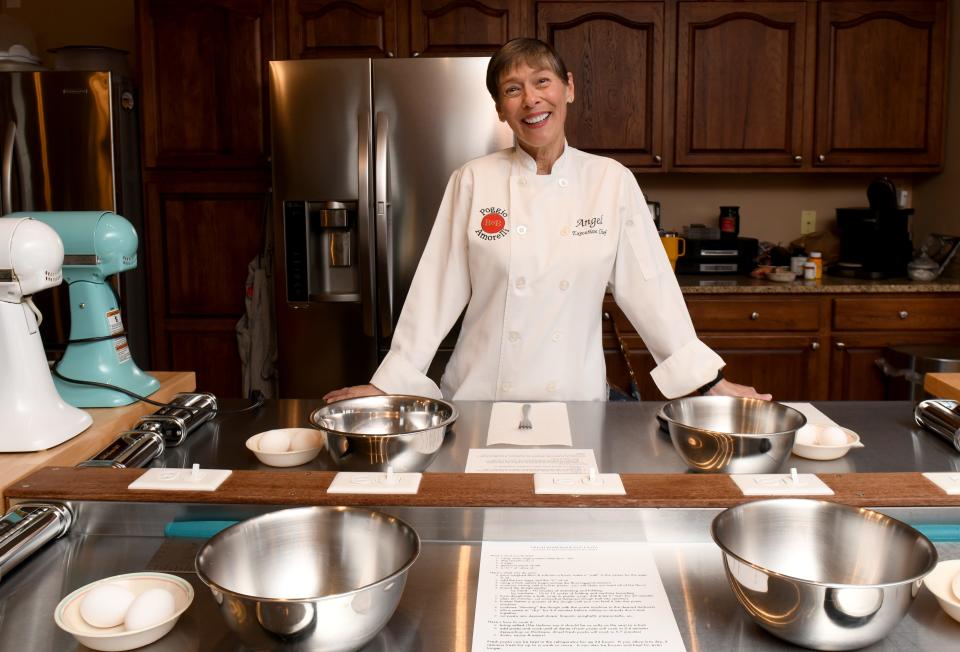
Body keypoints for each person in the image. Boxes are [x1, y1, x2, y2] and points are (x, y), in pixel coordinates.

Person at [324, 38, 770, 404]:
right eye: (512, 89)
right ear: (499, 109)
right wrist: (391, 381)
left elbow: (652, 290)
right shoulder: (473, 180)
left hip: (574, 400)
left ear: (568, 88)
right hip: (481, 399)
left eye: (542, 82)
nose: (531, 99)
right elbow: (436, 288)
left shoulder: (610, 182)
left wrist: (707, 380)